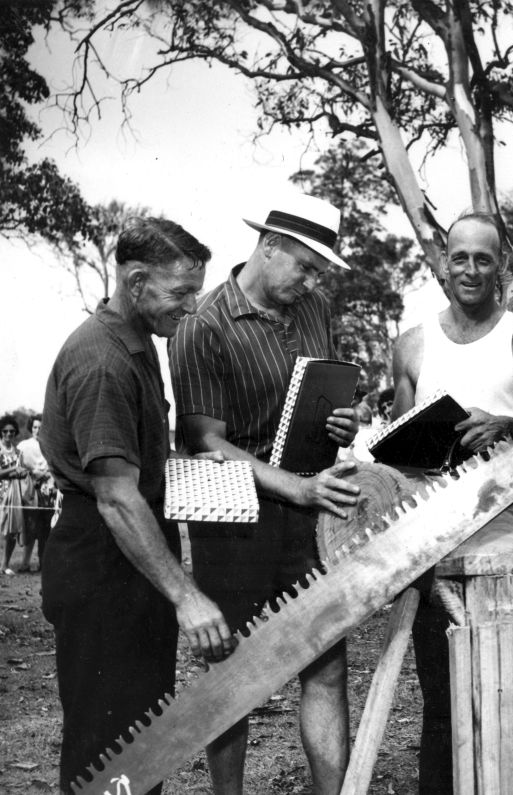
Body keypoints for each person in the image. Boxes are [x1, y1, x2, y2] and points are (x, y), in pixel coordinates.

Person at [169, 193, 360, 795]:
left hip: (311, 510)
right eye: (304, 265)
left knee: (326, 667)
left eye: (320, 273)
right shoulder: (203, 326)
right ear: (269, 246)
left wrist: (343, 422)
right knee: (232, 678)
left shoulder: (314, 308)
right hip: (231, 518)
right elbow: (207, 442)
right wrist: (295, 489)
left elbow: (325, 394)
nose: (310, 282)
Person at [39, 218, 234, 795]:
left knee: (137, 741)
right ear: (137, 280)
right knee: (106, 749)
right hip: (102, 559)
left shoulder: (137, 342)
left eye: (196, 292)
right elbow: (117, 498)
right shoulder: (103, 361)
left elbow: (139, 469)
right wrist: (187, 597)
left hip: (128, 559)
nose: (193, 307)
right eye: (181, 293)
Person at [392, 212, 513, 793]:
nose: (470, 269)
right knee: (442, 696)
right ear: (443, 263)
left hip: (510, 534)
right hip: (437, 537)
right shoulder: (412, 344)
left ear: (502, 267)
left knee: (509, 685)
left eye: (483, 259)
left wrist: (507, 429)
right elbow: (399, 450)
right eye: (459, 257)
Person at [17, 415, 54, 571]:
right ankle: (25, 563)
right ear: (31, 428)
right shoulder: (24, 445)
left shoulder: (51, 446)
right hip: (31, 490)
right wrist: (32, 472)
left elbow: (55, 466)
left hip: (48, 490)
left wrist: (47, 473)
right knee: (31, 527)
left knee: (46, 528)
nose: (38, 430)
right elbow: (19, 467)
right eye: (35, 427)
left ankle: (43, 563)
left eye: (40, 427)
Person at [0, 415, 28, 575]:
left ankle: (5, 564)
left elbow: (23, 471)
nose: (9, 434)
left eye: (11, 431)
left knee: (11, 531)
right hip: (1, 492)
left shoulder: (18, 452)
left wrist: (22, 472)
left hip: (14, 494)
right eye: (5, 431)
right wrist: (12, 470)